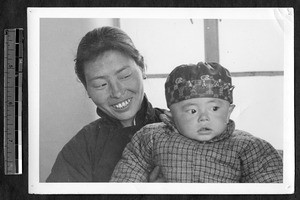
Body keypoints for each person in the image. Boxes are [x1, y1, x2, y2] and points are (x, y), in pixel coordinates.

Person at [110, 62, 283, 183]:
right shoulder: (152, 137)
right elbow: (127, 176)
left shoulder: (248, 146)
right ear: (171, 116)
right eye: (192, 111)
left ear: (229, 112)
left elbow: (271, 182)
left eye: (214, 109)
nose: (204, 118)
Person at [46, 26, 165, 182]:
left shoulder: (180, 127)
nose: (116, 92)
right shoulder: (81, 148)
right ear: (86, 88)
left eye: (124, 75)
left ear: (142, 67)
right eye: (101, 84)